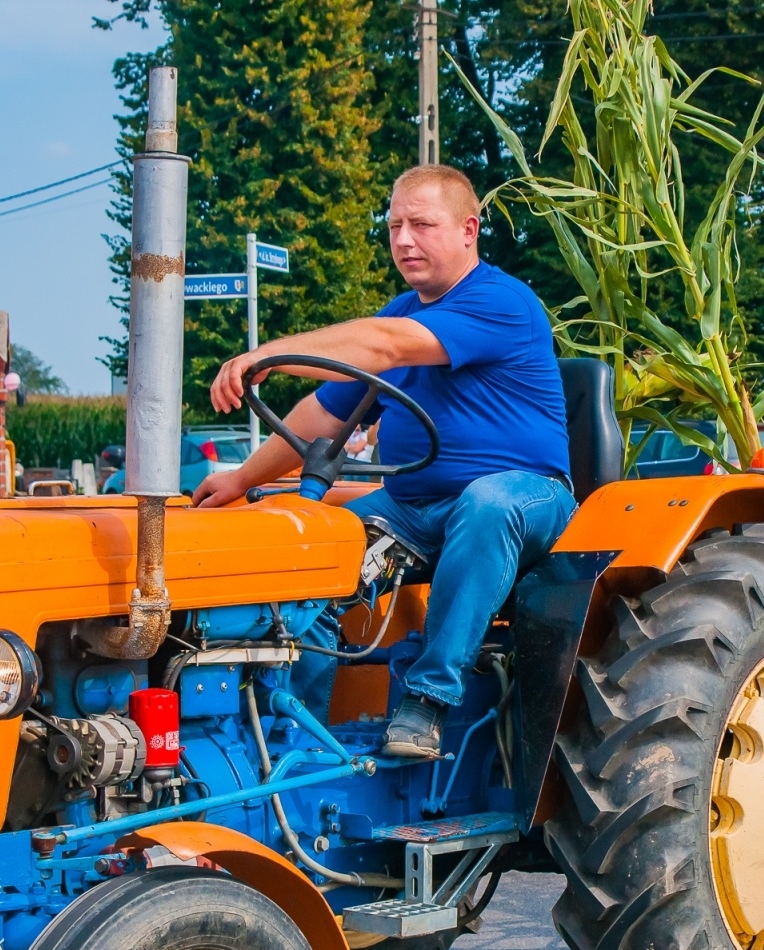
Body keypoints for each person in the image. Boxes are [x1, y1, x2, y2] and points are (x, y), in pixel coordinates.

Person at [193, 164, 575, 758]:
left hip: (530, 499)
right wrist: (241, 480)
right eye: (394, 224)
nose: (403, 239)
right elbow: (322, 413)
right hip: (416, 509)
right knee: (312, 552)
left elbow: (383, 345)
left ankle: (428, 699)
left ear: (469, 229)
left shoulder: (502, 302)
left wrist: (269, 354)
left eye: (421, 224)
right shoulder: (403, 309)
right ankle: (292, 739)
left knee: (487, 504)